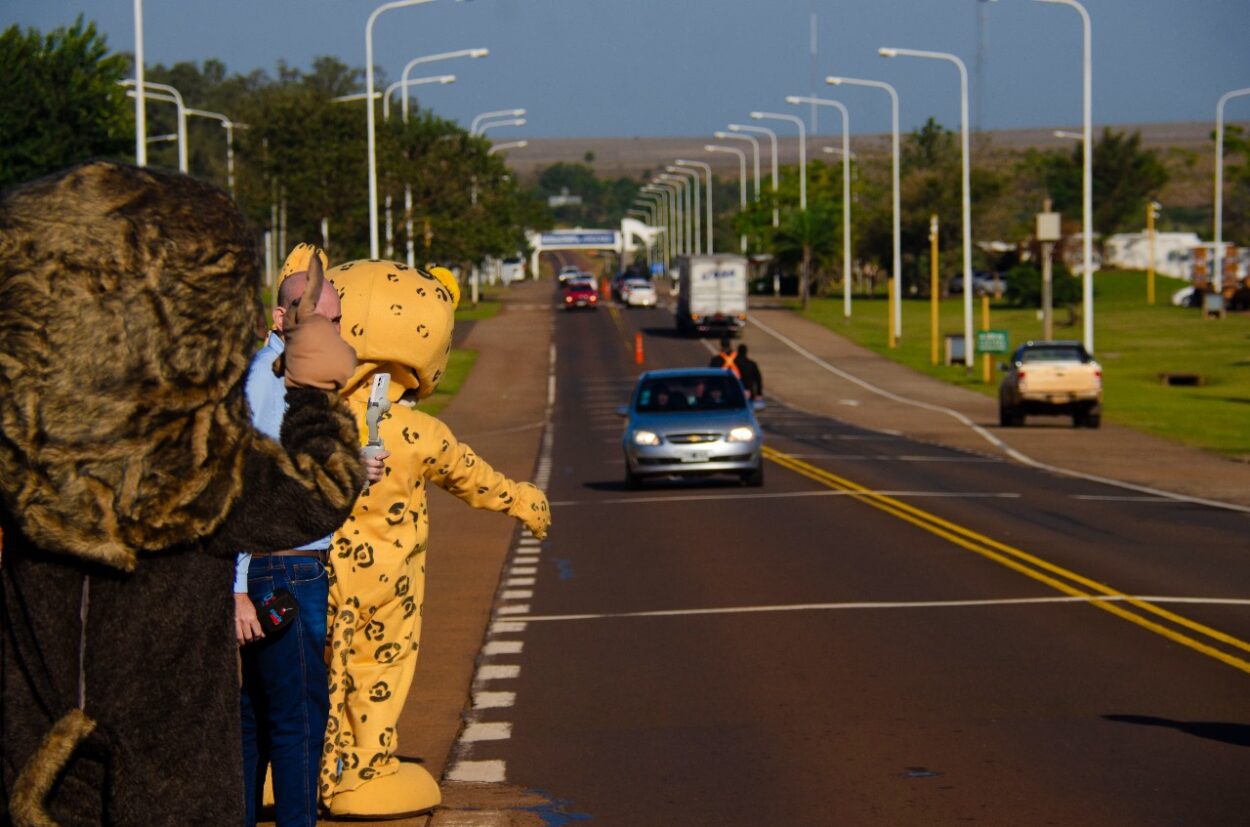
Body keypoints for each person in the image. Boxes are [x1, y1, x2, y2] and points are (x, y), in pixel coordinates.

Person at [0, 161, 365, 826]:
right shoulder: (197, 459)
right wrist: (314, 392)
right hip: (171, 750)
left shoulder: (22, 449)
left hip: (34, 731)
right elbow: (321, 492)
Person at [318, 259, 551, 819]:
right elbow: (475, 479)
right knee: (376, 670)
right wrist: (523, 499)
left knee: (310, 670)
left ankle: (292, 767)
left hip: (312, 575)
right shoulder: (420, 432)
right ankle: (364, 774)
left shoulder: (308, 423)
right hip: (387, 588)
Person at [234, 245, 388, 827]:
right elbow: (246, 490)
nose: (337, 331)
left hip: (280, 569)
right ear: (280, 319)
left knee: (257, 723)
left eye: (338, 320)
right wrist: (238, 588)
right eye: (323, 319)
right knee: (297, 724)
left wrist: (349, 470)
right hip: (282, 572)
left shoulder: (291, 380)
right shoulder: (267, 383)